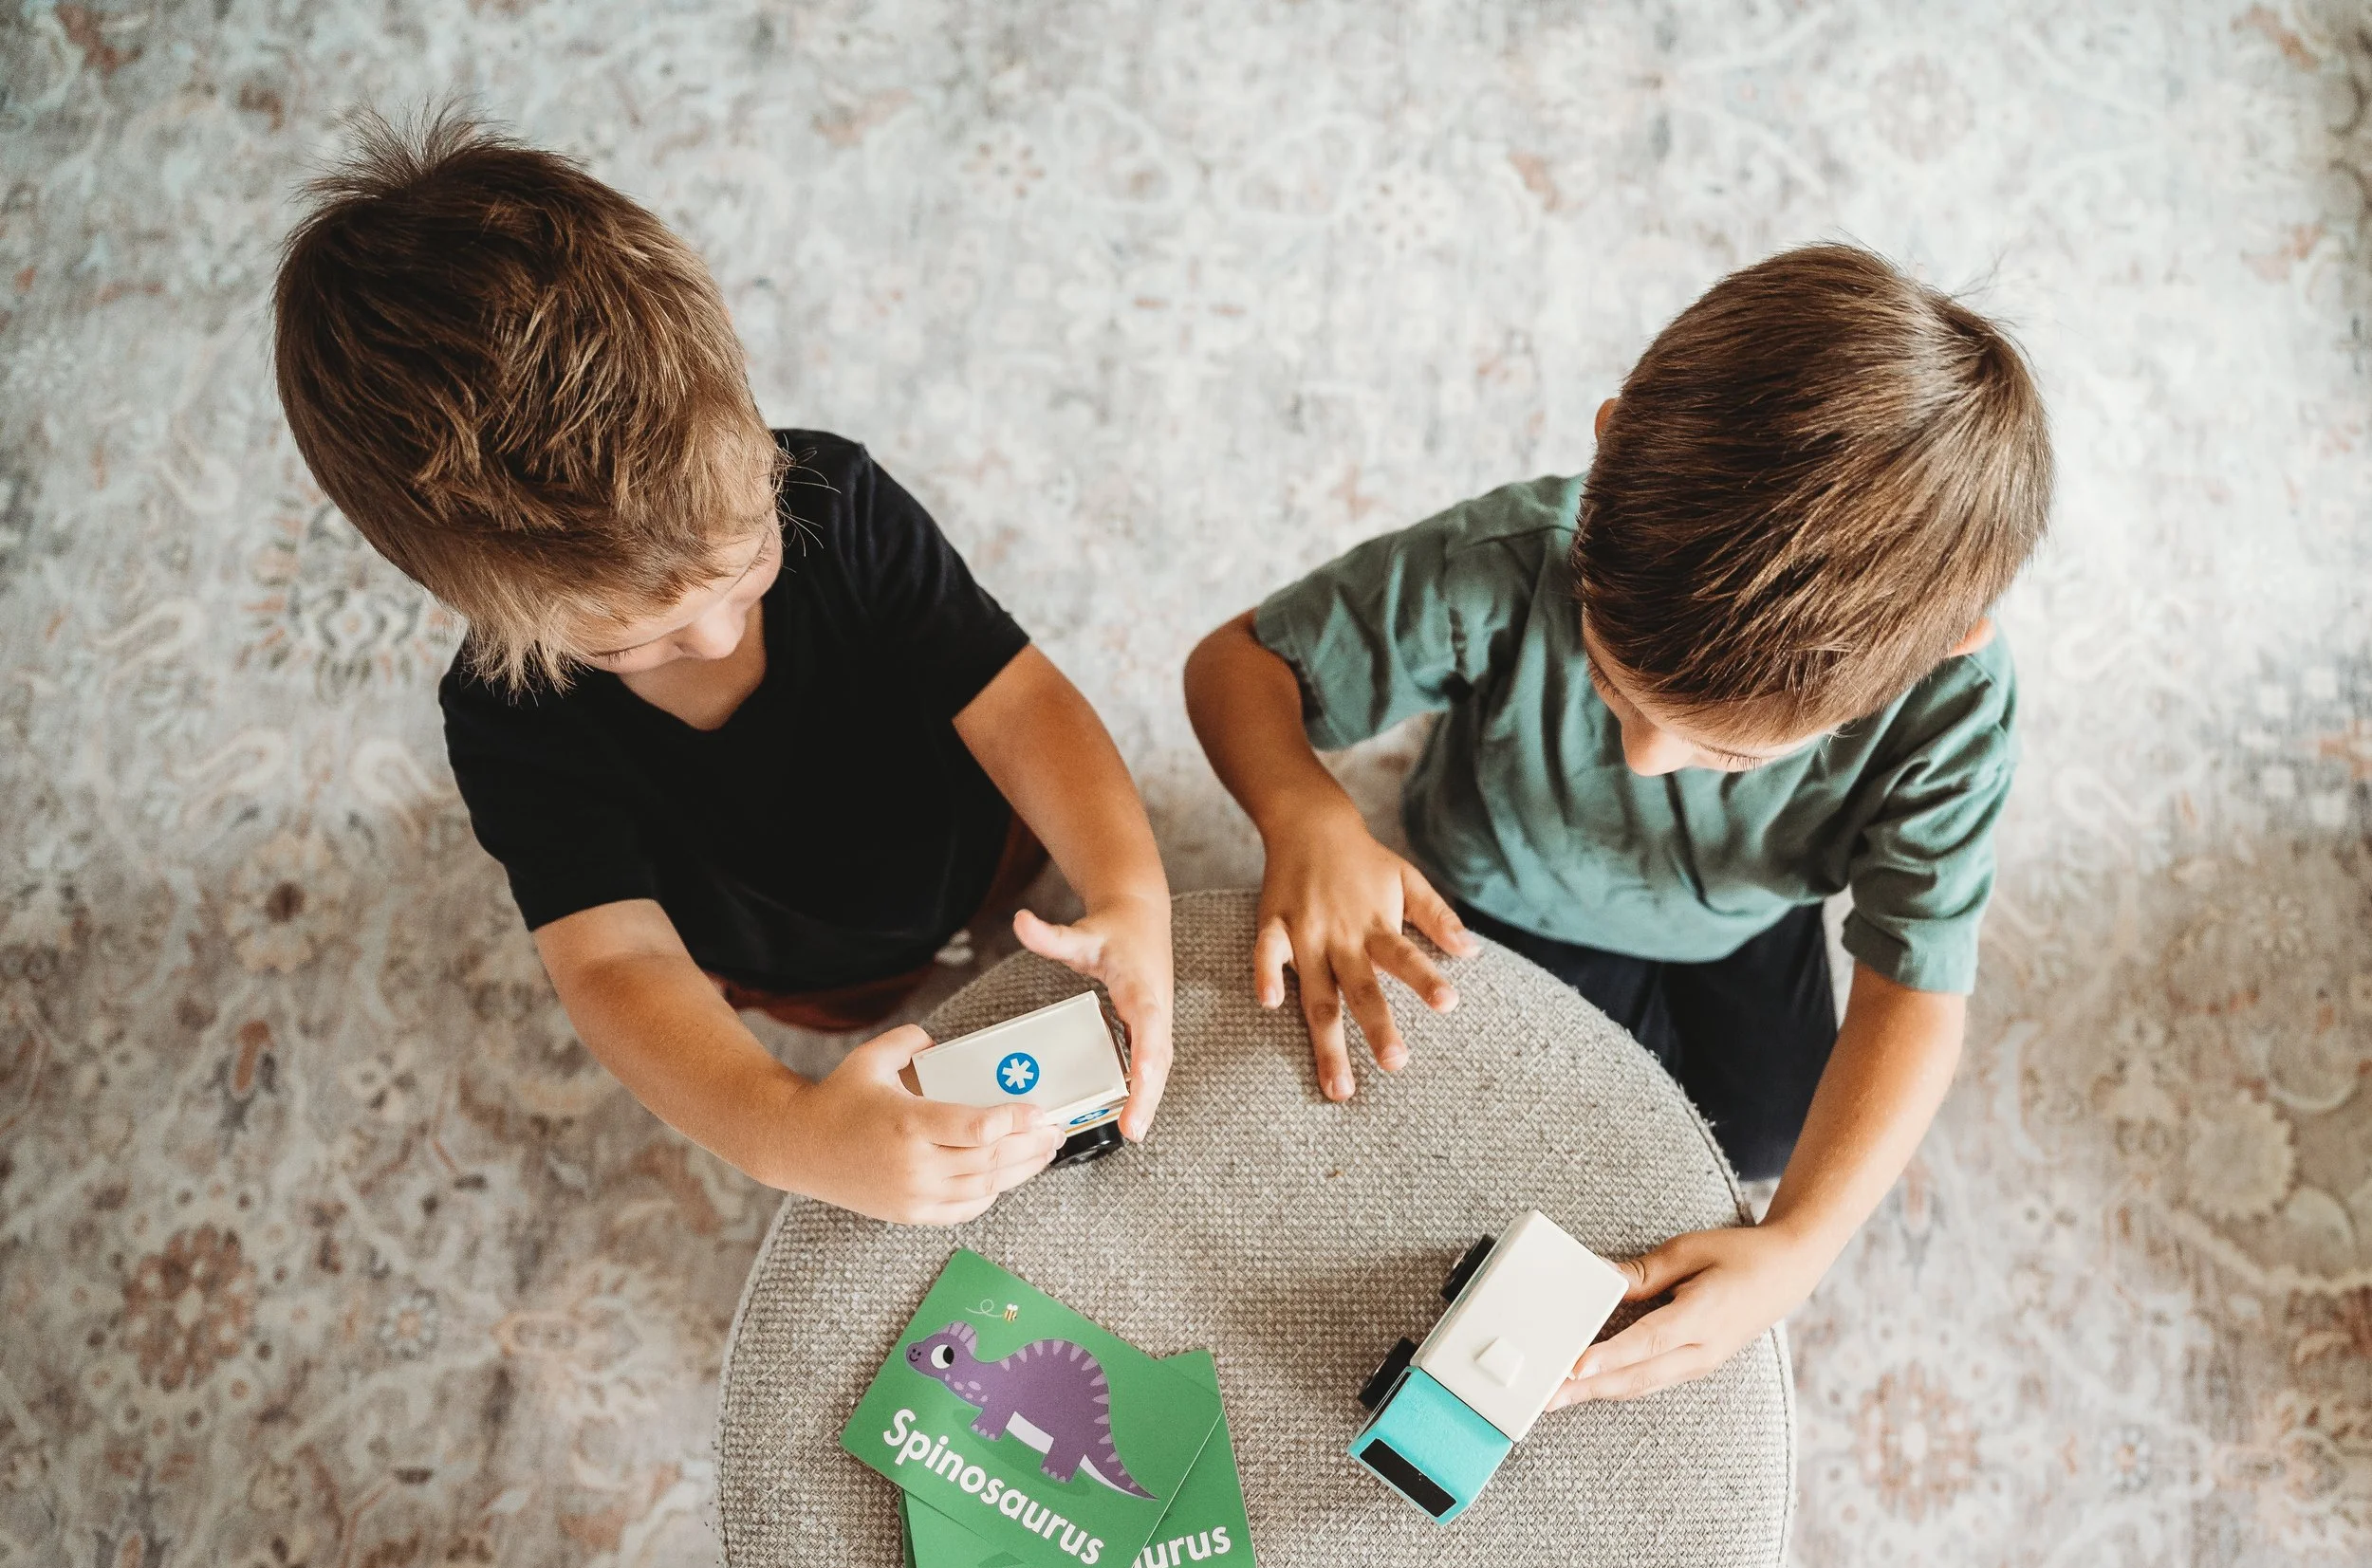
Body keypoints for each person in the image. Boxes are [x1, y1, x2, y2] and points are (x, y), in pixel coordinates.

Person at [1183, 244, 2051, 1401]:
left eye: (1724, 750)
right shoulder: (1507, 558)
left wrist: (1798, 1250)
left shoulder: (1953, 703)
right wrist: (1306, 815)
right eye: (1606, 681)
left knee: (1768, 1148)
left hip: (1740, 925)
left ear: (1940, 654)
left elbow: (1916, 983)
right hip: (1488, 888)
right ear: (1603, 458)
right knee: (1470, 1151)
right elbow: (1236, 663)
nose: (1644, 761)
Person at [272, 113, 1174, 1226]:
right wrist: (789, 1132)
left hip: (989, 841)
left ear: (746, 421)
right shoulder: (507, 717)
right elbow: (616, 968)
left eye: (747, 562)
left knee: (1019, 905)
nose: (709, 639)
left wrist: (1129, 893)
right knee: (873, 1011)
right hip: (805, 967)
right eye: (623, 640)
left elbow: (1019, 696)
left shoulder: (837, 497)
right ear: (479, 608)